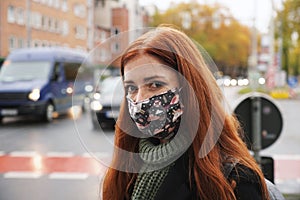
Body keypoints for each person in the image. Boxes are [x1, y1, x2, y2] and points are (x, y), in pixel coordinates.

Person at [102, 25, 271, 200]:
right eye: (131, 87)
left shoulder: (235, 180)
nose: (139, 99)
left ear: (189, 88)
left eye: (155, 85)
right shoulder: (126, 167)